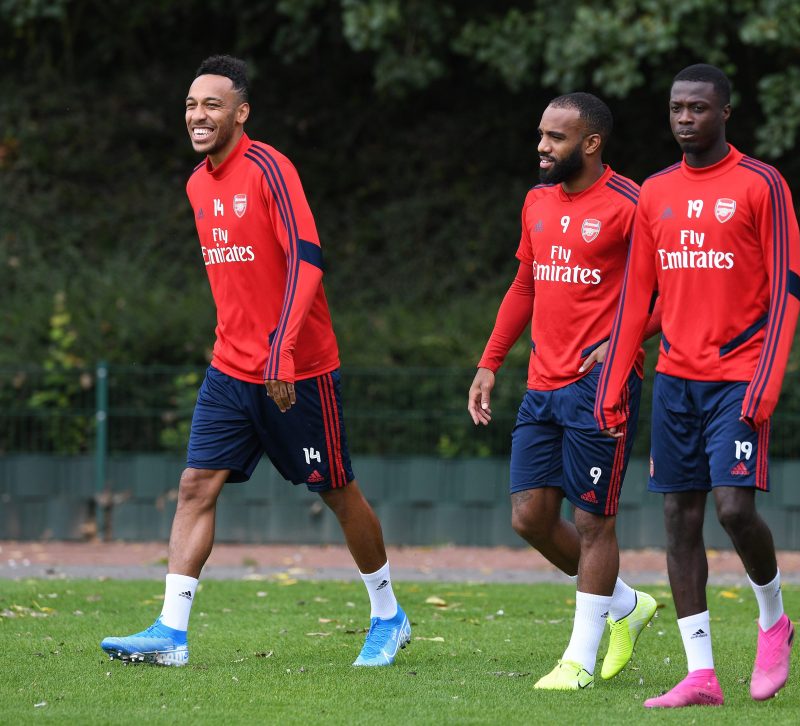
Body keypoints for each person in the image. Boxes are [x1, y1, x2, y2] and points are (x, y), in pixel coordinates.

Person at [100, 55, 409, 668]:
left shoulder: (270, 167)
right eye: (191, 104)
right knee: (195, 486)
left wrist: (283, 350)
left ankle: (388, 614)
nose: (198, 115)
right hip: (230, 368)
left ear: (241, 113)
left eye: (212, 104)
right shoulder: (195, 184)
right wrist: (248, 349)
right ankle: (171, 632)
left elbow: (308, 258)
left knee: (337, 490)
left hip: (298, 368)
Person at [595, 64, 800, 707]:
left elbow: (787, 289)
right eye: (677, 108)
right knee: (678, 518)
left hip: (739, 377)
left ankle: (773, 621)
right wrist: (613, 378)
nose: (686, 119)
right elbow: (637, 294)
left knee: (734, 509)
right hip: (675, 382)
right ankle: (701, 673)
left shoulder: (761, 184)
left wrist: (768, 378)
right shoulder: (655, 191)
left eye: (699, 109)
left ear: (725, 114)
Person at [468, 92, 661, 690]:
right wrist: (489, 362)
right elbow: (525, 284)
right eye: (542, 135)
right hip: (541, 384)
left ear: (591, 142)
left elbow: (667, 290)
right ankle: (627, 604)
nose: (542, 147)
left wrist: (625, 343)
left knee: (592, 522)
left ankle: (579, 659)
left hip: (600, 388)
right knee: (529, 517)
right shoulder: (536, 202)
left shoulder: (633, 204)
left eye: (555, 137)